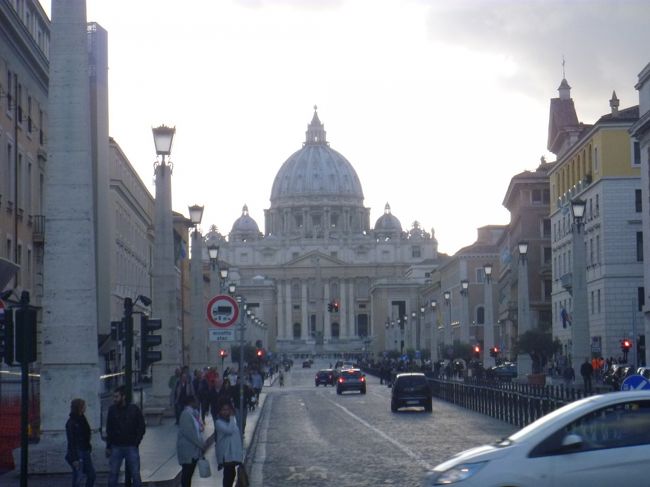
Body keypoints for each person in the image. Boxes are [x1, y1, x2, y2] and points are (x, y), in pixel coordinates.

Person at [106, 386, 146, 487]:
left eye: (117, 396)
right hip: (116, 445)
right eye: (114, 397)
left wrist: (136, 441)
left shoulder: (134, 409)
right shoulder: (112, 410)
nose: (114, 399)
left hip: (130, 445)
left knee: (135, 474)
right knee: (113, 474)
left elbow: (141, 426)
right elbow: (109, 428)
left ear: (123, 397)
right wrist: (108, 445)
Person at [65, 398, 96, 487]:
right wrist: (74, 458)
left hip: (85, 450)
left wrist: (88, 447)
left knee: (91, 475)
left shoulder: (82, 419)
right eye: (83, 406)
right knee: (78, 477)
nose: (85, 407)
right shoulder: (71, 423)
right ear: (79, 407)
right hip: (78, 452)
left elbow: (86, 434)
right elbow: (71, 441)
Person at [176, 395, 206, 487]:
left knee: (189, 475)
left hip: (193, 451)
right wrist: (201, 445)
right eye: (196, 401)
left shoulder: (192, 414)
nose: (197, 403)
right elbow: (191, 434)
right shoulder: (186, 414)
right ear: (191, 402)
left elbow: (198, 429)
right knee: (186, 475)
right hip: (187, 451)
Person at [214, 399, 243, 487]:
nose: (226, 412)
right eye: (224, 410)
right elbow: (229, 431)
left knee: (232, 475)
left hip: (233, 454)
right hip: (226, 455)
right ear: (220, 411)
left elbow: (236, 437)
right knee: (228, 477)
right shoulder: (218, 422)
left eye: (228, 409)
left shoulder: (231, 421)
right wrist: (231, 417)